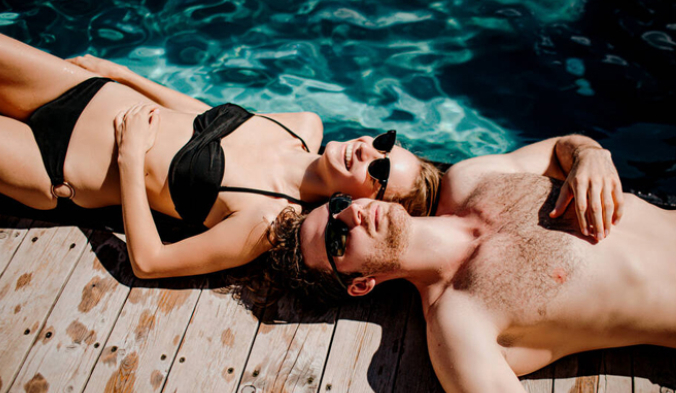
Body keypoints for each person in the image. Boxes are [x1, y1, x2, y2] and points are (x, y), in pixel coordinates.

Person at [265, 136, 676, 393]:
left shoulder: (469, 177)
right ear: (361, 284)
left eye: (339, 203)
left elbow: (561, 148)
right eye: (338, 237)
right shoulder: (457, 324)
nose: (352, 212)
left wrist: (591, 155)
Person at [0, 33, 440, 279]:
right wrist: (126, 75)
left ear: (365, 203)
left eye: (378, 169)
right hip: (81, 89)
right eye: (384, 143)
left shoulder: (265, 220)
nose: (367, 149)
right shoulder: (305, 125)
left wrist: (130, 161)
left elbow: (150, 263)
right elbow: (204, 118)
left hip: (55, 164)